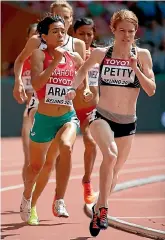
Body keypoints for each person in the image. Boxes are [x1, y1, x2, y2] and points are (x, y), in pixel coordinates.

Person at [66, 9, 156, 237]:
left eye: (131, 31)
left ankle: (98, 207)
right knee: (111, 154)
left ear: (136, 32)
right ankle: (104, 209)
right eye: (122, 30)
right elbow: (82, 72)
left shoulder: (143, 55)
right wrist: (72, 89)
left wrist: (135, 67)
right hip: (102, 117)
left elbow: (151, 90)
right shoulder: (101, 54)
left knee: (114, 173)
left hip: (128, 122)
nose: (126, 35)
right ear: (113, 30)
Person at [20, 15, 83, 225]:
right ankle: (28, 197)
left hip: (67, 115)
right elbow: (37, 84)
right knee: (37, 167)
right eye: (54, 31)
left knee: (66, 146)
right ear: (44, 36)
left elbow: (83, 81)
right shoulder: (39, 54)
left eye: (62, 31)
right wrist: (55, 61)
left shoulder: (73, 56)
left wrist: (84, 90)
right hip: (44, 118)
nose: (60, 34)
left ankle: (59, 199)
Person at [73, 18, 99, 204]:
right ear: (74, 34)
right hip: (69, 109)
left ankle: (87, 180)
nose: (86, 37)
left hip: (91, 110)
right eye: (81, 33)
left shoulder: (100, 54)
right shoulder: (66, 53)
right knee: (59, 152)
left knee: (90, 142)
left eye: (89, 33)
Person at [20, 23, 39, 184]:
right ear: (28, 38)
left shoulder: (48, 57)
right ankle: (28, 196)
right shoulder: (22, 60)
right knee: (28, 159)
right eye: (34, 34)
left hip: (47, 114)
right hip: (29, 113)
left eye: (40, 34)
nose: (37, 37)